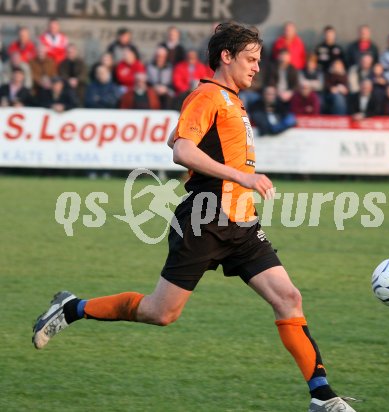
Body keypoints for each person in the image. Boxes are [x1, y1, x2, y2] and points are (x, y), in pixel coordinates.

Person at [32, 22, 358, 412]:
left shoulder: (231, 100)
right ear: (226, 57)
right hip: (205, 219)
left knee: (288, 297)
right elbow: (181, 151)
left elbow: (179, 138)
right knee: (160, 313)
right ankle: (72, 307)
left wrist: (205, 152)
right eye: (250, 60)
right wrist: (241, 175)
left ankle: (322, 396)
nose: (257, 68)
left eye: (258, 60)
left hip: (241, 222)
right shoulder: (208, 95)